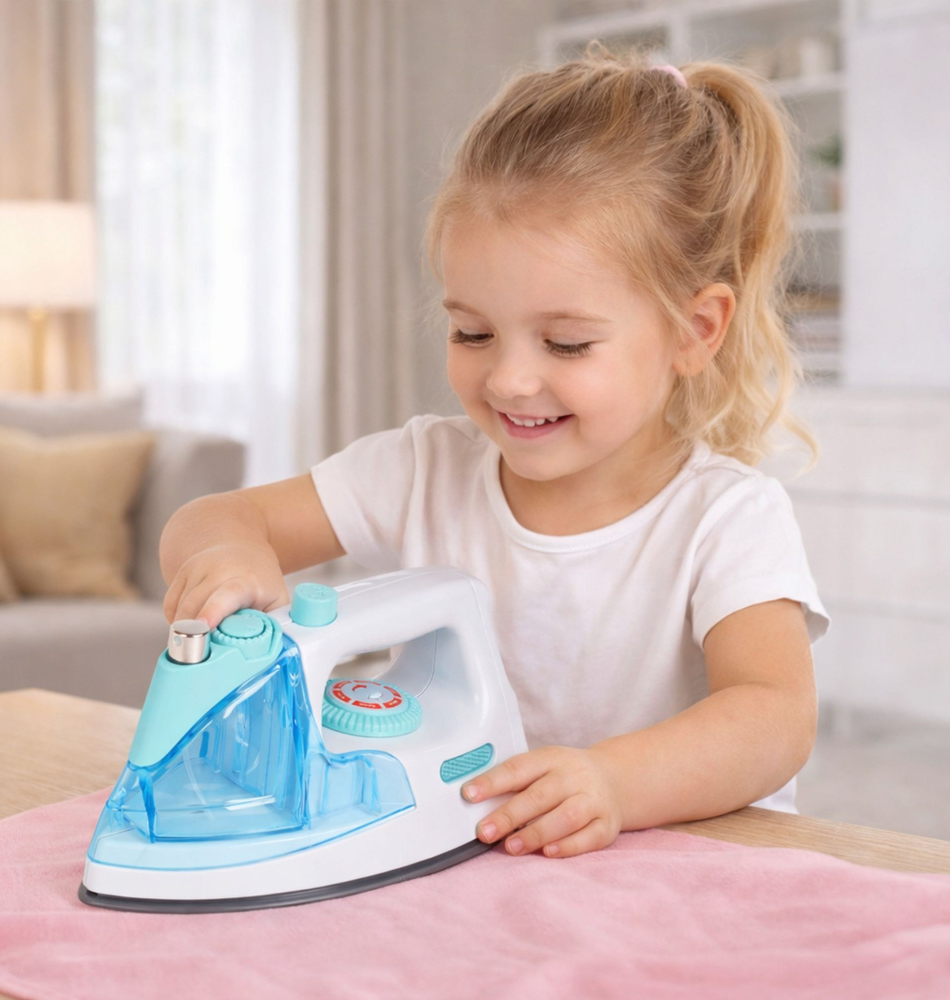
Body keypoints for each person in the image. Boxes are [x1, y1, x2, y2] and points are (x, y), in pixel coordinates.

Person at [161, 47, 828, 861]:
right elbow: (216, 516)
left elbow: (773, 716)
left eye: (567, 343)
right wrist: (226, 555)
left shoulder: (727, 519)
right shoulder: (422, 471)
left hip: (684, 873)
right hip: (490, 865)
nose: (509, 379)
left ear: (695, 331)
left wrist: (614, 782)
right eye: (471, 332)